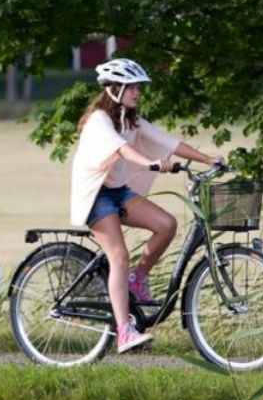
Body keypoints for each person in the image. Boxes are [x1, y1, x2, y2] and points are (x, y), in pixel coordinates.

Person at [69, 57, 225, 352]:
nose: (137, 93)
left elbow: (168, 142)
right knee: (118, 255)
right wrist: (150, 163)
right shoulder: (99, 121)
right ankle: (124, 331)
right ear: (114, 89)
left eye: (138, 88)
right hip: (96, 196)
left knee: (166, 225)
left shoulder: (131, 119)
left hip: (117, 191)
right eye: (132, 88)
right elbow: (123, 150)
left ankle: (136, 279)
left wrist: (208, 158)